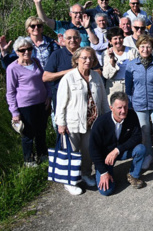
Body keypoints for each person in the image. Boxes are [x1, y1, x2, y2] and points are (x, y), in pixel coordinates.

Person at [55, 47, 110, 195]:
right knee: (71, 152)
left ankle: (85, 174)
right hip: (72, 123)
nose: (88, 61)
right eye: (84, 58)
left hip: (92, 122)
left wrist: (107, 118)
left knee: (88, 151)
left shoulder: (96, 77)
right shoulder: (69, 78)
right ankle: (70, 181)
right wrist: (60, 123)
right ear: (76, 59)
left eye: (91, 58)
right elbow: (61, 103)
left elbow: (103, 99)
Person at [125, 35, 153, 172]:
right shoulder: (132, 65)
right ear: (138, 48)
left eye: (148, 46)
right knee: (145, 132)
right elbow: (128, 88)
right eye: (142, 46)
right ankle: (149, 156)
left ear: (152, 48)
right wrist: (130, 105)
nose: (145, 49)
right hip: (139, 104)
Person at [89, 92, 147, 195]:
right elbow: (93, 150)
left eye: (125, 106)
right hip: (105, 158)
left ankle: (133, 175)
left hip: (120, 151)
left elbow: (137, 137)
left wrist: (117, 150)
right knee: (106, 191)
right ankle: (106, 173)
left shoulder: (132, 115)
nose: (123, 111)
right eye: (119, 108)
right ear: (111, 108)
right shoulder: (100, 123)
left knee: (141, 149)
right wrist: (104, 172)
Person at [6, 36, 50, 166]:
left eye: (29, 49)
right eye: (22, 50)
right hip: (25, 106)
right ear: (16, 51)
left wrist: (49, 95)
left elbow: (44, 79)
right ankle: (29, 160)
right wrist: (14, 112)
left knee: (41, 131)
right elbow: (10, 92)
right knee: (28, 134)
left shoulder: (36, 61)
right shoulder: (12, 68)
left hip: (42, 103)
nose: (26, 52)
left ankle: (43, 155)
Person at [32, 0, 98, 47]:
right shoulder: (62, 26)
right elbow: (44, 20)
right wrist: (37, 3)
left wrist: (87, 28)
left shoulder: (87, 28)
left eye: (80, 13)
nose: (78, 15)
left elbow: (95, 42)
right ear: (70, 14)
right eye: (76, 13)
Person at [43, 29, 82, 112]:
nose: (72, 40)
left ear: (80, 39)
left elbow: (98, 72)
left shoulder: (87, 53)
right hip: (62, 97)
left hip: (82, 96)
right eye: (69, 38)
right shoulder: (57, 54)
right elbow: (45, 77)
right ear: (64, 40)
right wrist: (70, 72)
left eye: (75, 37)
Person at [102, 27, 138, 100]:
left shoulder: (132, 51)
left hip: (131, 85)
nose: (118, 41)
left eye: (120, 38)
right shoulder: (106, 53)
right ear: (110, 41)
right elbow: (107, 75)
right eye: (115, 39)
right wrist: (112, 59)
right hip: (114, 87)